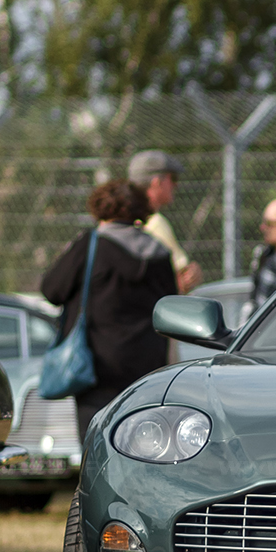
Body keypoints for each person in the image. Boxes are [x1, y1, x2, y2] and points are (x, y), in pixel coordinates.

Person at [42, 179, 178, 441]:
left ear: (99, 208)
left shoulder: (91, 245)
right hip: (148, 366)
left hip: (96, 367)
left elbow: (51, 290)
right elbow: (170, 308)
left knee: (97, 443)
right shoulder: (159, 252)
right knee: (142, 444)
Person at [128, 149, 202, 293]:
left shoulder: (117, 221)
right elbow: (182, 280)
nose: (176, 185)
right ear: (156, 183)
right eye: (173, 179)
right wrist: (193, 274)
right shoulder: (155, 223)